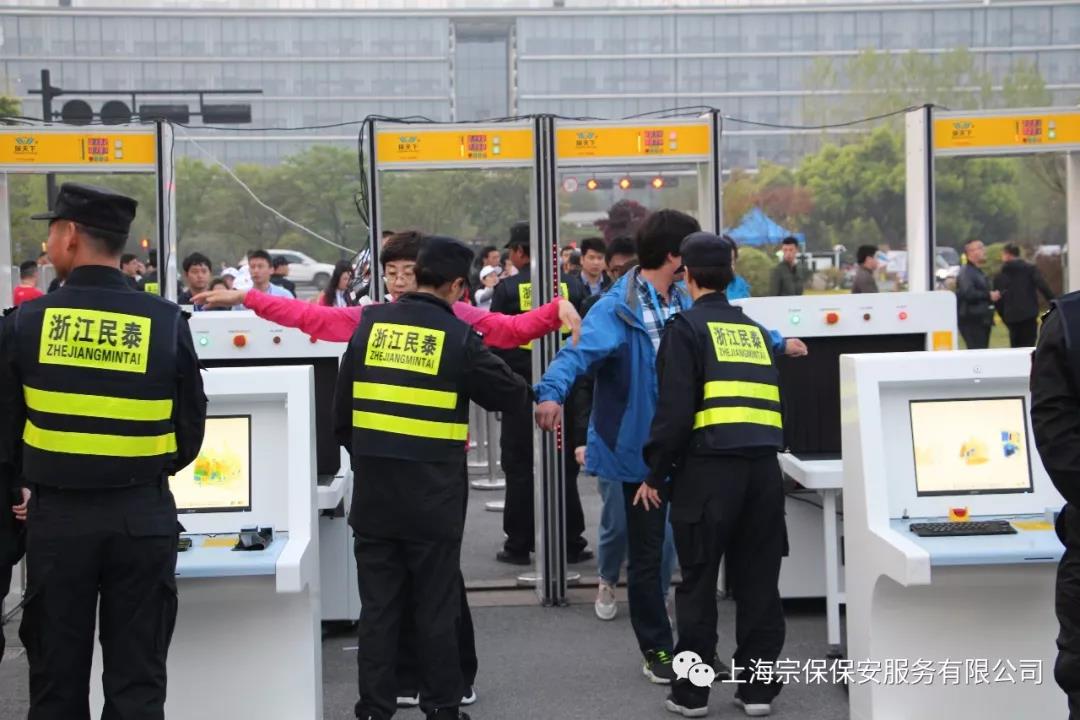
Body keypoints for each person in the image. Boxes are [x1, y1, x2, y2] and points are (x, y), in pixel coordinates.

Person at [536, 210, 807, 683]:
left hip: (694, 447)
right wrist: (550, 393)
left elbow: (728, 328)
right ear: (673, 255)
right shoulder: (615, 308)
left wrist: (778, 342)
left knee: (694, 557)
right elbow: (574, 355)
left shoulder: (687, 296)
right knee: (648, 557)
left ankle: (698, 652)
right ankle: (658, 648)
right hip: (639, 453)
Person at [0, 182, 206, 718]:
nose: (47, 245)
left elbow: (5, 435)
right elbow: (188, 433)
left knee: (56, 682)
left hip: (57, 522)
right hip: (142, 517)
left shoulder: (25, 323)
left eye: (51, 232)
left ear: (70, 234)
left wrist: (30, 484)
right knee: (137, 682)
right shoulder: (166, 322)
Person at [337, 235, 529, 720]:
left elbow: (341, 417)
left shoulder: (369, 326)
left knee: (378, 610)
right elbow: (509, 394)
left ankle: (374, 709)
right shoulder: (458, 336)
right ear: (459, 286)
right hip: (433, 502)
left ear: (417, 273)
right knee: (435, 607)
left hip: (375, 497)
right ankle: (442, 707)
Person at [636, 232, 786, 718]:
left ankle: (692, 693)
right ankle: (758, 691)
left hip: (708, 474)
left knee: (699, 584)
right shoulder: (756, 333)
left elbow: (674, 413)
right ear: (731, 273)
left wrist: (655, 474)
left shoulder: (685, 330)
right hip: (763, 472)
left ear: (688, 276)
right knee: (759, 583)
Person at [489, 222, 591, 565]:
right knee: (564, 466)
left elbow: (496, 344)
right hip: (565, 389)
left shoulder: (507, 289)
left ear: (520, 251)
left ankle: (518, 544)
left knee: (519, 467)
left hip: (522, 391)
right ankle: (571, 541)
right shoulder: (572, 285)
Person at [994, 243, 1054, 348]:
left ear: (1008, 255)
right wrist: (1053, 301)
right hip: (1029, 313)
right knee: (1029, 346)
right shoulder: (1030, 269)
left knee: (1015, 347)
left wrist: (1003, 314)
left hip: (1011, 315)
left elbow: (998, 297)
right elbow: (1042, 286)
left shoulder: (1001, 273)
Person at [956, 239, 999, 350]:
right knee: (977, 352)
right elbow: (968, 293)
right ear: (970, 252)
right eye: (980, 247)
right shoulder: (966, 271)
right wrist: (988, 295)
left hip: (982, 320)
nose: (984, 250)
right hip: (972, 320)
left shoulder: (977, 271)